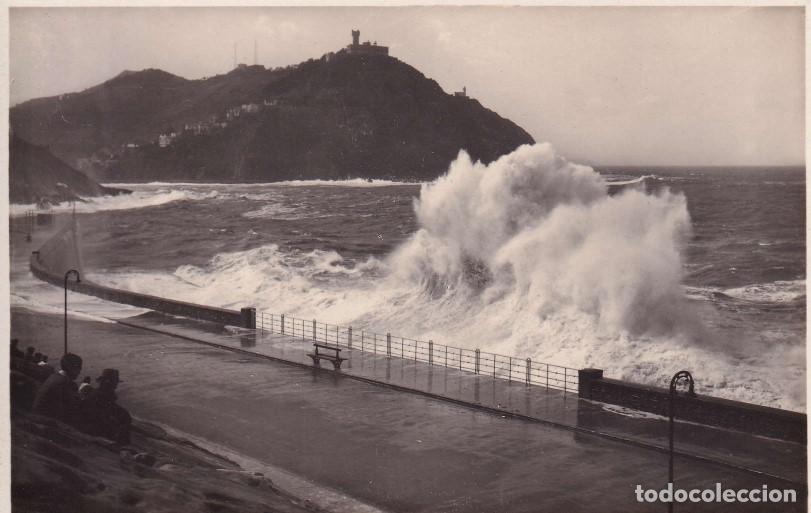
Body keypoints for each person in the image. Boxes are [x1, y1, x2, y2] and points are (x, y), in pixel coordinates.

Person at [82, 369, 132, 445]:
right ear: (109, 382)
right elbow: (104, 414)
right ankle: (124, 444)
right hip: (94, 427)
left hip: (88, 422)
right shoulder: (105, 395)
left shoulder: (97, 392)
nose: (116, 385)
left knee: (124, 416)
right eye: (115, 382)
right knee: (125, 417)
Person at [32, 353, 83, 423]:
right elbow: (64, 410)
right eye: (79, 368)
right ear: (71, 368)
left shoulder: (55, 376)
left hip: (39, 415)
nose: (80, 372)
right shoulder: (63, 383)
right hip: (44, 420)